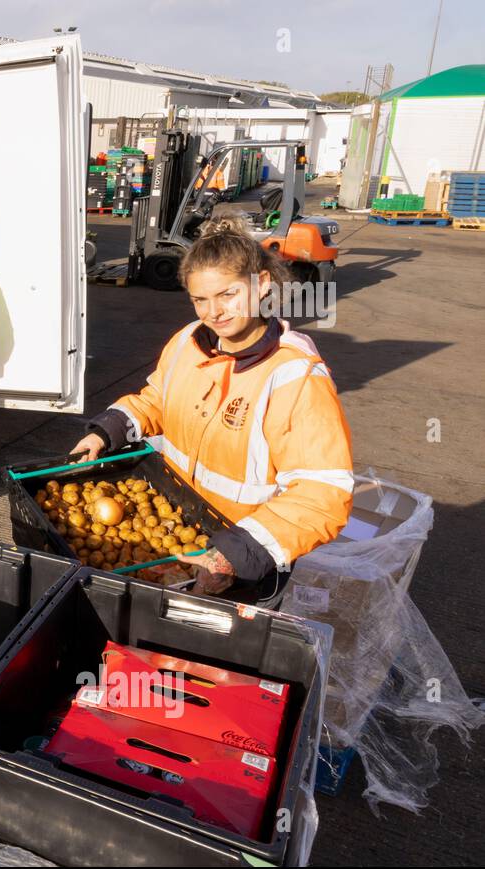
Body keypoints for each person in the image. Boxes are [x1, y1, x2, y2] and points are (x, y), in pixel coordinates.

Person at [69, 216, 353, 596]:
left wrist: (237, 553)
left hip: (247, 558)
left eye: (227, 295)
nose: (213, 312)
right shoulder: (189, 340)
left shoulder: (293, 378)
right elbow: (158, 397)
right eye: (199, 299)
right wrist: (110, 429)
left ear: (261, 285)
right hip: (180, 531)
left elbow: (322, 495)